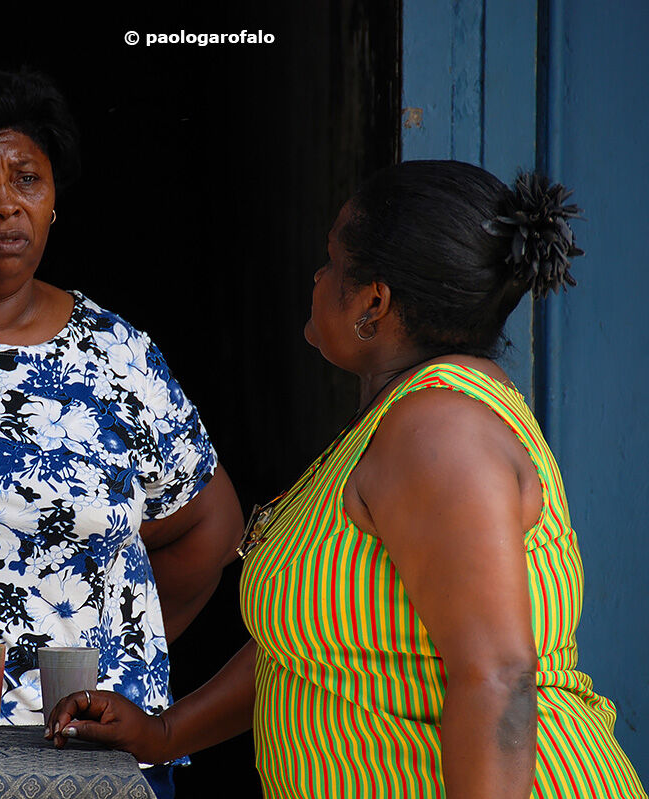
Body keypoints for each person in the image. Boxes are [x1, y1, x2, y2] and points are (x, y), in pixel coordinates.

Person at [46, 160, 646, 798]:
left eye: (331, 262)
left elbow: (496, 678)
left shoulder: (439, 434)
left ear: (373, 302)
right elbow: (315, 645)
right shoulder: (396, 422)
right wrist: (164, 735)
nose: (317, 277)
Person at [0, 67, 244, 793]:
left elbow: (211, 526)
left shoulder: (116, 353)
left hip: (95, 749)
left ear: (55, 201)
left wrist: (119, 640)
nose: (5, 208)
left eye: (27, 179)